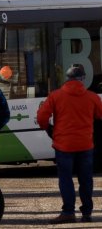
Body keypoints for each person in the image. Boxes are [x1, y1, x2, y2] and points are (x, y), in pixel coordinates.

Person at [37, 64, 102, 224]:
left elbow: (41, 118)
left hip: (63, 145)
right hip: (85, 144)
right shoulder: (92, 97)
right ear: (82, 79)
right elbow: (100, 115)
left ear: (67, 79)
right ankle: (87, 213)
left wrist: (50, 130)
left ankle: (68, 212)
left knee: (65, 179)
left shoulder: (55, 96)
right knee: (86, 179)